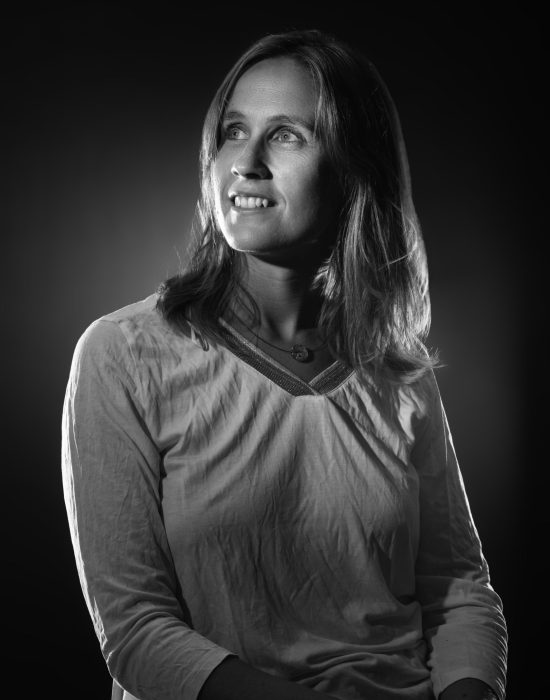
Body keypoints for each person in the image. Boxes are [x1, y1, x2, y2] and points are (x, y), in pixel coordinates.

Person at [62, 29, 507, 700]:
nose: (246, 162)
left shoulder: (397, 368)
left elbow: (459, 588)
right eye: (234, 132)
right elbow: (136, 631)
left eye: (286, 136)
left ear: (354, 167)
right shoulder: (123, 355)